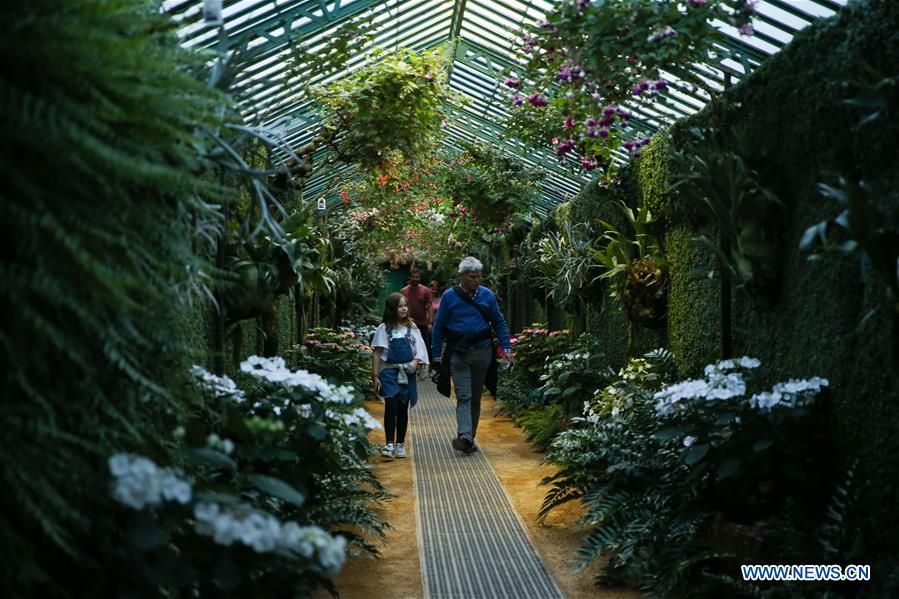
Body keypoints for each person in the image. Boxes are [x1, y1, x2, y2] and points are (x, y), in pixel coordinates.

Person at [431, 257, 513, 455]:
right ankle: (465, 435)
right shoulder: (450, 296)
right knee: (464, 396)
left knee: (475, 398)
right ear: (462, 276)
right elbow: (438, 327)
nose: (477, 280)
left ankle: (469, 439)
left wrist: (507, 349)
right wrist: (435, 355)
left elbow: (499, 323)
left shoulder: (488, 296)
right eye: (472, 276)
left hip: (482, 353)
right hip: (459, 355)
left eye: (479, 276)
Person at [371, 293, 429, 459]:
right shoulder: (384, 328)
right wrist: (375, 375)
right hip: (389, 372)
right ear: (392, 309)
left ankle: (400, 445)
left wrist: (415, 363)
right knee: (391, 405)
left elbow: (421, 350)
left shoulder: (412, 327)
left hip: (407, 372)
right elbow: (377, 352)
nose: (404, 309)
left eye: (405, 305)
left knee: (403, 407)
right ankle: (389, 444)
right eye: (400, 306)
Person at [401, 267, 433, 380]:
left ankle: (425, 368)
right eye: (413, 277)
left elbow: (429, 307)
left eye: (417, 277)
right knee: (409, 346)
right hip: (408, 324)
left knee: (425, 346)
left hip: (422, 323)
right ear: (409, 278)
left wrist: (430, 322)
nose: (415, 278)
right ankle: (410, 368)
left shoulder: (426, 291)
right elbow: (401, 306)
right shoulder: (403, 291)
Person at [426, 280, 443, 375]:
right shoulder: (426, 299)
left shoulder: (440, 300)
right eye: (431, 288)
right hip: (427, 325)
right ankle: (428, 368)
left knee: (435, 346)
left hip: (438, 326)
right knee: (428, 346)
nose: (432, 290)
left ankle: (436, 367)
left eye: (434, 289)